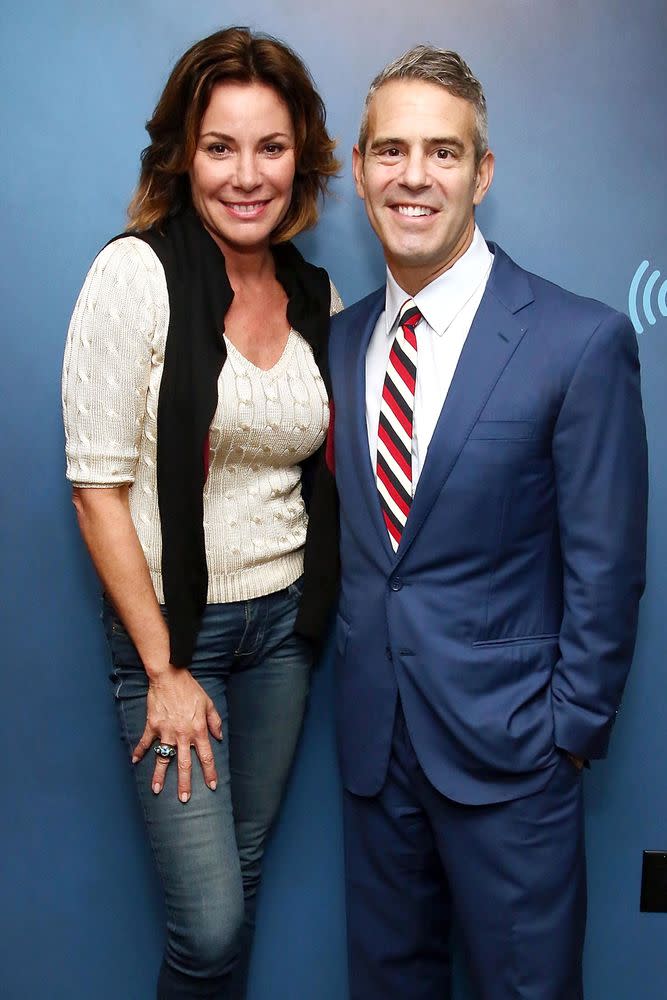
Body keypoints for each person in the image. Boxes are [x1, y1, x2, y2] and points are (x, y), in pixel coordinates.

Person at [329, 44, 647, 999]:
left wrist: (569, 733)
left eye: (442, 152)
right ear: (357, 168)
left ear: (482, 172)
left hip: (516, 755)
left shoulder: (577, 338)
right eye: (390, 151)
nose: (413, 177)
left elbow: (608, 561)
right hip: (373, 748)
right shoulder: (341, 340)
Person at [62, 26, 341, 999]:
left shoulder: (313, 293)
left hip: (284, 632)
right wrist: (166, 669)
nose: (246, 174)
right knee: (210, 923)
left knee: (244, 884)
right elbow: (96, 490)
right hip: (176, 637)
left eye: (269, 146)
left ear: (300, 150)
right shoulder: (134, 274)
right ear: (185, 152)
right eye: (220, 146)